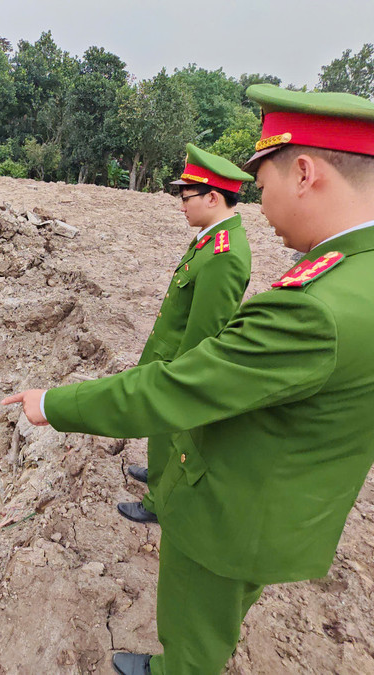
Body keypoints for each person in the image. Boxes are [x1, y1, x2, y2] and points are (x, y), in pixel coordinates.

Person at [2, 84, 374, 674]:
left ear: (305, 173)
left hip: (232, 508)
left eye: (262, 188)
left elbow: (181, 386)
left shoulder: (319, 305)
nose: (262, 209)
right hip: (293, 499)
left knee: (194, 629)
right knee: (219, 615)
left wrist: (54, 403)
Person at [119, 144, 254, 525]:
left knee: (175, 429)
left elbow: (205, 333)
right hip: (168, 352)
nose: (181, 206)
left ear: (212, 198)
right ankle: (158, 470)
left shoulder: (225, 255)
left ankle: (158, 502)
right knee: (161, 429)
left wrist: (179, 378)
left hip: (180, 360)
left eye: (186, 197)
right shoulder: (210, 239)